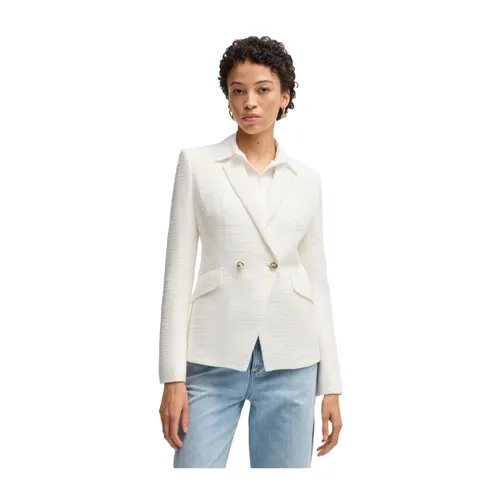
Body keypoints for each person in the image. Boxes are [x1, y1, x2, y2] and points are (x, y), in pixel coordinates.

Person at [158, 35, 343, 468]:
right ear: (227, 98)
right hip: (212, 353)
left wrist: (332, 384)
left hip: (292, 357)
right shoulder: (197, 165)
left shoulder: (306, 179)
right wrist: (171, 376)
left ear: (285, 97)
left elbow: (317, 280)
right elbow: (177, 274)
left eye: (263, 89)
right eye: (238, 90)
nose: (250, 102)